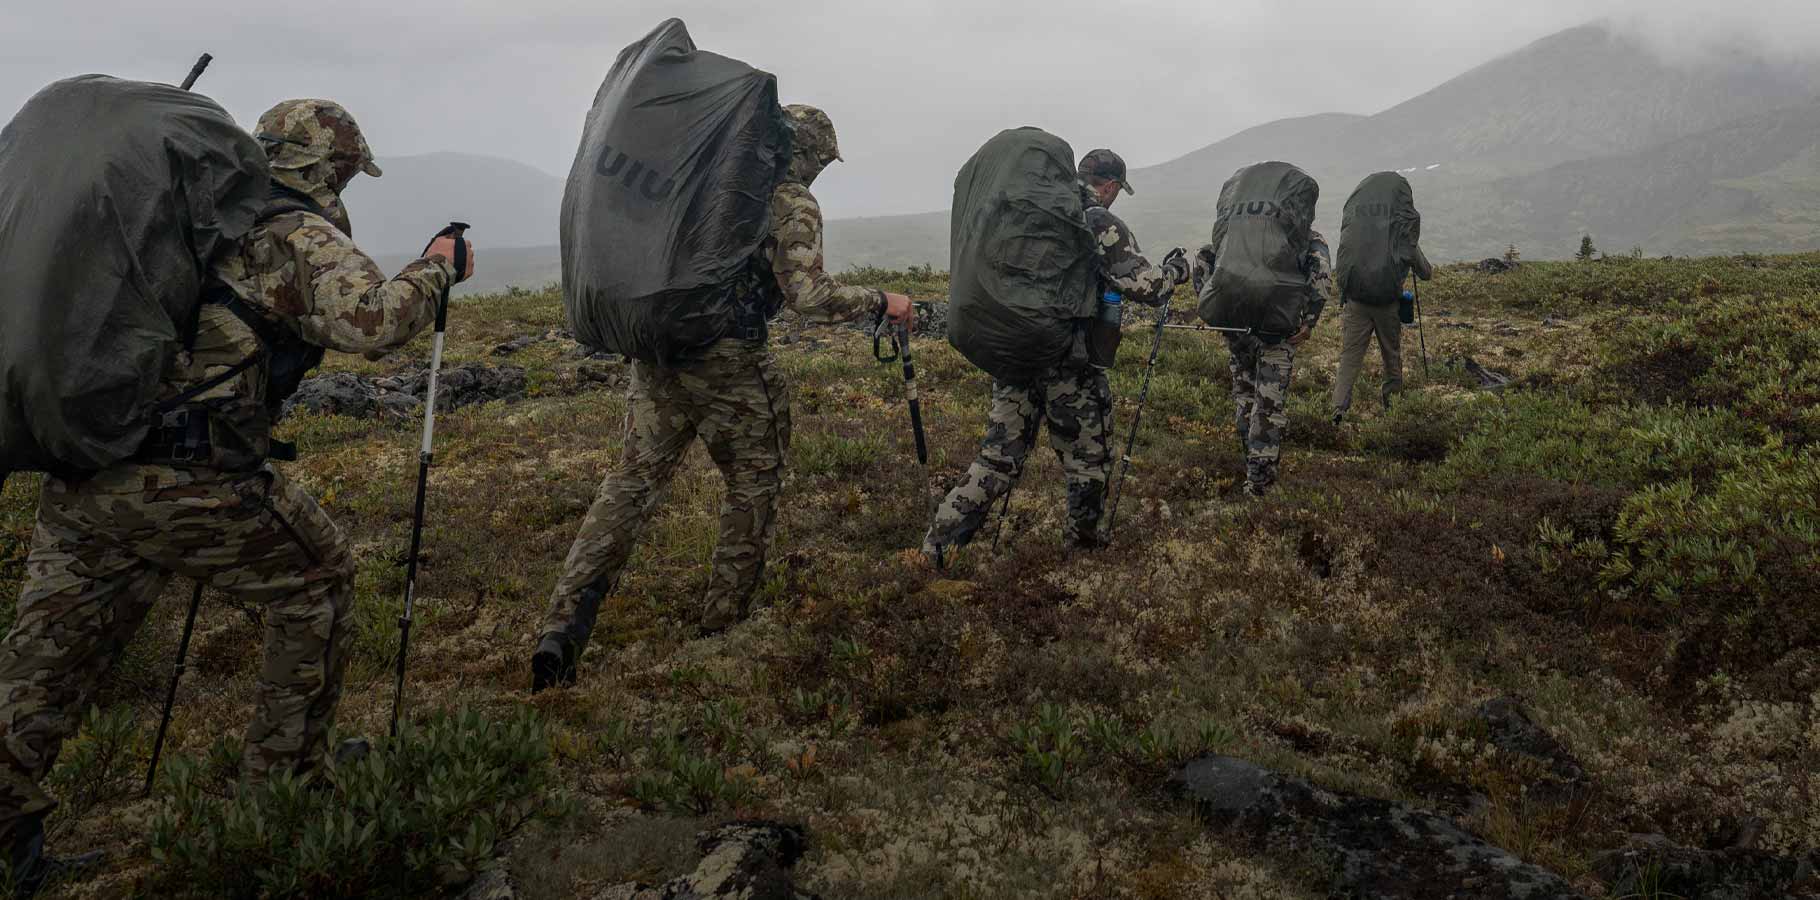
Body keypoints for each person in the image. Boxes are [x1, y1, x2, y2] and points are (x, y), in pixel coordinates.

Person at [0, 99, 473, 894]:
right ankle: (285, 788)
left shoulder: (187, 220)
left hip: (88, 468)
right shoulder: (288, 233)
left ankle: (8, 832)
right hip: (188, 480)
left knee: (43, 661)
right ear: (331, 169)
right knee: (317, 585)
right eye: (348, 172)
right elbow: (372, 320)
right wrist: (435, 266)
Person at [532, 104, 914, 690]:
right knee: (753, 481)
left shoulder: (701, 183)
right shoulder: (789, 200)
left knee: (632, 482)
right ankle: (723, 624)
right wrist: (880, 300)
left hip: (659, 351)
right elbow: (808, 296)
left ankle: (562, 626)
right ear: (808, 155)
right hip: (730, 358)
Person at [922, 149, 1187, 561]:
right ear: (1112, 186)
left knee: (996, 459)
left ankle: (937, 546)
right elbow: (1150, 288)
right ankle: (1082, 555)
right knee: (1087, 460)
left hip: (1015, 349)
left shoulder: (1031, 212)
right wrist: (1177, 272)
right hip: (1070, 362)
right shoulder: (1096, 218)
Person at [1192, 229, 1335, 497]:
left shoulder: (1238, 230)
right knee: (1267, 407)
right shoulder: (1304, 234)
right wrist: (1310, 320)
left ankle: (1251, 463)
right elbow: (1323, 271)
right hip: (1278, 331)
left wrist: (1210, 308)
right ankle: (1260, 487)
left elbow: (1202, 256)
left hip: (1236, 327)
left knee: (1245, 397)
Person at [1331, 241, 1433, 423]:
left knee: (1349, 358)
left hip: (1357, 303)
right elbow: (1425, 273)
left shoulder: (1360, 226)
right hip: (1388, 305)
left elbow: (1344, 257)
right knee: (1391, 357)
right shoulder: (1402, 228)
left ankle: (1338, 409)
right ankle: (1392, 411)